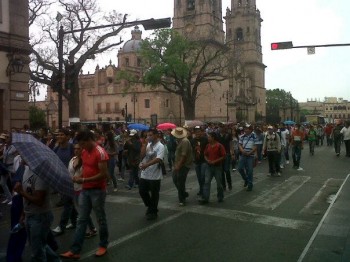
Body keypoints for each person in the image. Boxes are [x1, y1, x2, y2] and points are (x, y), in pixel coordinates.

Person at [60, 129, 109, 259]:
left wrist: (83, 179)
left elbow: (103, 174)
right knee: (81, 220)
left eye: (82, 144)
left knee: (100, 219)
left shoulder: (100, 153)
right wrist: (79, 176)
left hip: (97, 190)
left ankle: (103, 245)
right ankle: (75, 250)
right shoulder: (85, 151)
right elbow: (87, 169)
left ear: (89, 141)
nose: (81, 147)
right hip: (85, 190)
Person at [13, 162, 61, 262]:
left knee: (37, 253)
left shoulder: (41, 174)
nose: (21, 155)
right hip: (29, 215)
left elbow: (39, 201)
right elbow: (26, 197)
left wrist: (21, 191)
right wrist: (23, 214)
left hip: (40, 217)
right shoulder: (26, 169)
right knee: (38, 245)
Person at [68, 143, 97, 238]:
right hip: (74, 188)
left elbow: (88, 173)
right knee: (80, 210)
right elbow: (69, 173)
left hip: (83, 188)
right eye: (75, 149)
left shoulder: (85, 161)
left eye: (78, 148)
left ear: (82, 149)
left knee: (83, 211)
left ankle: (91, 229)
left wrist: (79, 178)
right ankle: (91, 228)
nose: (76, 150)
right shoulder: (72, 160)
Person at [52, 128, 77, 235]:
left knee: (67, 203)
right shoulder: (56, 149)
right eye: (59, 134)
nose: (60, 136)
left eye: (62, 135)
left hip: (71, 180)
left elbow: (77, 161)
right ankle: (75, 222)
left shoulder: (71, 148)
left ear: (67, 137)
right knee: (72, 203)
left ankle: (61, 226)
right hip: (61, 180)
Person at [138, 129, 165, 220]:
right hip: (145, 173)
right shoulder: (148, 145)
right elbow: (141, 156)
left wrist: (147, 165)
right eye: (147, 136)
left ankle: (152, 211)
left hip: (155, 175)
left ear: (156, 135)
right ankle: (151, 207)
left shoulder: (160, 146)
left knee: (154, 194)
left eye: (150, 135)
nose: (148, 137)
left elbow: (158, 159)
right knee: (142, 191)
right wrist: (144, 145)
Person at [199, 132, 226, 204]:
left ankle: (220, 197)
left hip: (217, 167)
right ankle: (205, 198)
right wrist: (207, 160)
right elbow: (205, 155)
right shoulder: (208, 146)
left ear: (213, 138)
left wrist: (215, 161)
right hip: (209, 166)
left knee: (219, 183)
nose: (208, 138)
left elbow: (223, 156)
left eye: (209, 137)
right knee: (207, 182)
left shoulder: (219, 146)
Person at [171, 127, 193, 206]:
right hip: (178, 163)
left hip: (183, 165)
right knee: (175, 179)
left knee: (180, 181)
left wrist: (179, 166)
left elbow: (184, 155)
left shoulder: (184, 141)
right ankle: (183, 193)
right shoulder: (179, 141)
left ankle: (182, 199)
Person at [238, 125, 257, 191]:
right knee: (240, 168)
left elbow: (255, 146)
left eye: (247, 129)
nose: (246, 130)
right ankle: (246, 179)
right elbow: (240, 145)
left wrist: (250, 152)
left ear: (251, 130)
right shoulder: (242, 136)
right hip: (243, 155)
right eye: (245, 129)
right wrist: (242, 150)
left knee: (250, 171)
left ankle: (250, 184)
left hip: (250, 156)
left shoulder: (254, 136)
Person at [191, 126, 208, 198]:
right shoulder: (192, 140)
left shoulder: (205, 139)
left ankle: (204, 191)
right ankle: (201, 189)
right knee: (198, 177)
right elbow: (191, 149)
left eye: (199, 132)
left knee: (202, 176)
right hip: (197, 161)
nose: (197, 133)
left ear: (201, 132)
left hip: (203, 160)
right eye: (196, 132)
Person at [217, 125, 233, 191]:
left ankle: (229, 184)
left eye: (222, 127)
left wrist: (232, 153)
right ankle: (223, 185)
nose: (221, 128)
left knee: (226, 170)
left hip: (227, 154)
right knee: (221, 171)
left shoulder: (228, 135)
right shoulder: (217, 135)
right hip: (219, 155)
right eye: (220, 127)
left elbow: (230, 144)